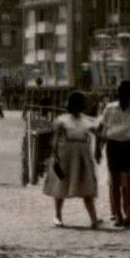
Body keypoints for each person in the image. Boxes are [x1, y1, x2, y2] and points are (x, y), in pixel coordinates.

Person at [43, 91, 102, 228]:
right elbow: (55, 139)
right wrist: (55, 155)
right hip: (66, 153)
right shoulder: (62, 120)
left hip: (82, 153)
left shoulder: (87, 120)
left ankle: (93, 218)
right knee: (61, 183)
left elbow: (97, 133)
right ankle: (57, 215)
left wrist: (98, 149)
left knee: (87, 184)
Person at [96, 80, 130, 226]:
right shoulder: (109, 108)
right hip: (114, 146)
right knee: (115, 182)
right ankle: (118, 214)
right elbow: (101, 128)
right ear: (117, 93)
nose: (124, 94)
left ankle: (129, 213)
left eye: (127, 92)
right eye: (121, 91)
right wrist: (97, 149)